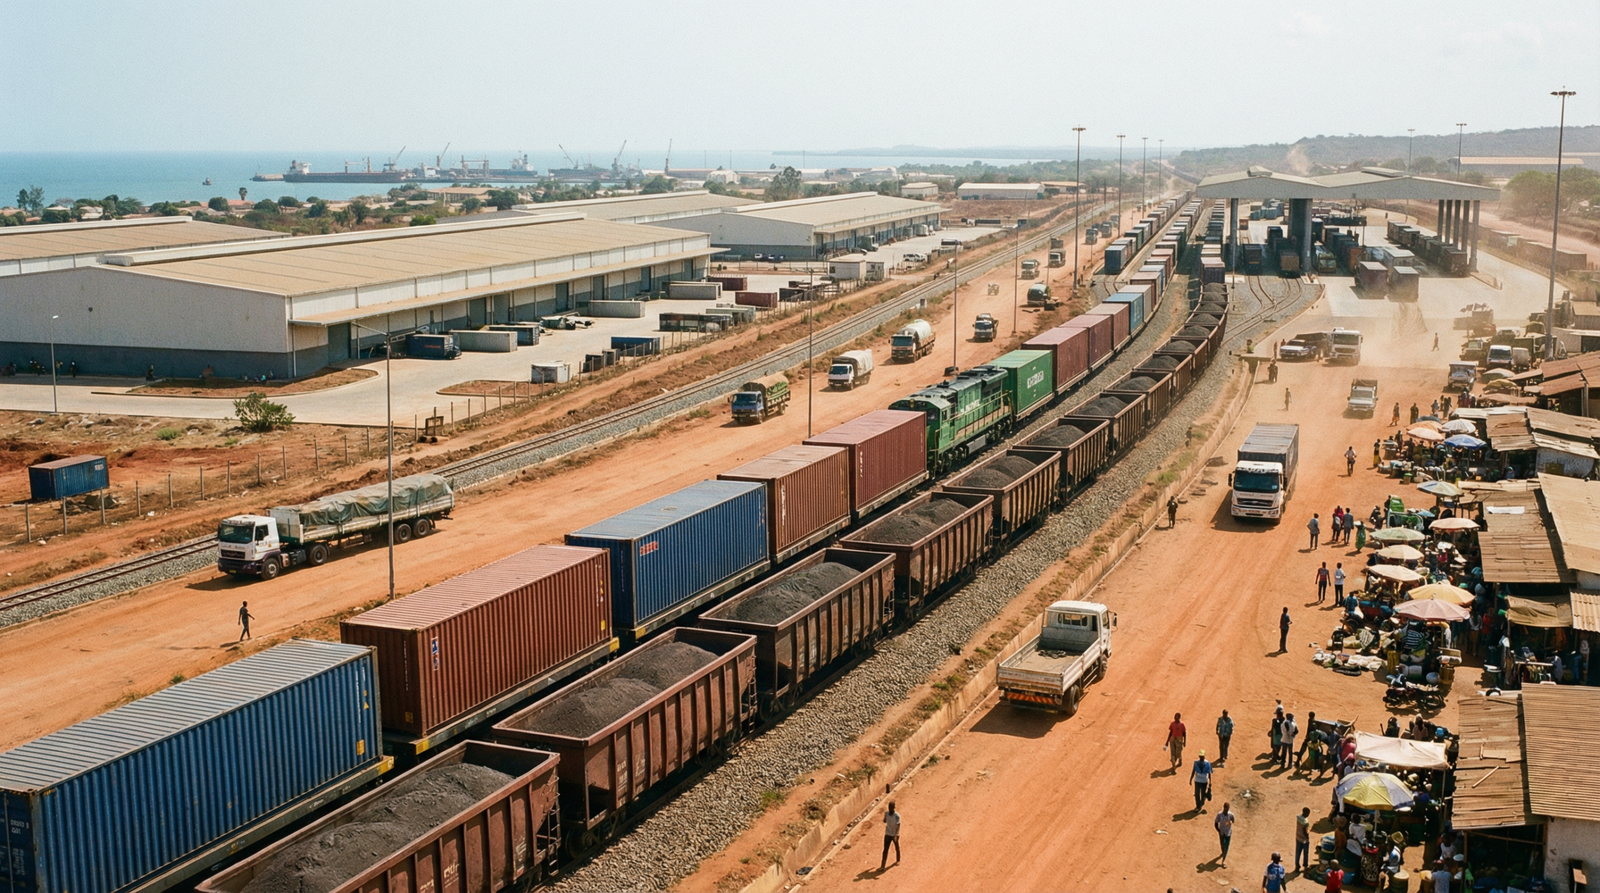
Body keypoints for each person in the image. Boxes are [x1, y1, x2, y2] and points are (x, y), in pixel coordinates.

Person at [879, 801, 901, 869]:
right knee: (885, 849)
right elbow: (884, 820)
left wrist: (896, 835)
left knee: (897, 847)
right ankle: (882, 866)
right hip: (888, 834)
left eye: (891, 807)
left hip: (894, 834)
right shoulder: (886, 813)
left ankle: (898, 860)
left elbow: (898, 825)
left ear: (894, 808)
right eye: (889, 807)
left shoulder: (897, 816)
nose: (890, 809)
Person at [1214, 802, 1235, 867]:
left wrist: (1230, 822)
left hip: (1228, 832)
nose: (1226, 811)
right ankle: (1223, 852)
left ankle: (1223, 861)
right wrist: (1218, 830)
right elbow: (1216, 822)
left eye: (1227, 809)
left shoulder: (1230, 814)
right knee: (1222, 844)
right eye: (1225, 809)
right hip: (1222, 832)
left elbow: (1233, 820)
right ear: (1223, 808)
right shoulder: (1219, 815)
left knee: (1226, 845)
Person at [1295, 807, 1313, 872]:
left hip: (1298, 837)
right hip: (1304, 840)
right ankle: (1305, 866)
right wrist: (1307, 838)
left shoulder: (1298, 818)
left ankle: (1297, 866)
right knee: (1305, 853)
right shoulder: (1306, 822)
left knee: (1298, 853)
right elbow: (1305, 831)